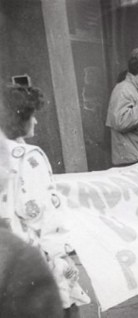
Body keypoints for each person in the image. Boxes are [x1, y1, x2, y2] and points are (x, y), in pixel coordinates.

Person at [0, 85, 91, 317]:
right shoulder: (29, 156)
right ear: (20, 118)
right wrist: (63, 257)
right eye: (33, 116)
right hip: (35, 259)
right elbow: (43, 215)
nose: (37, 122)